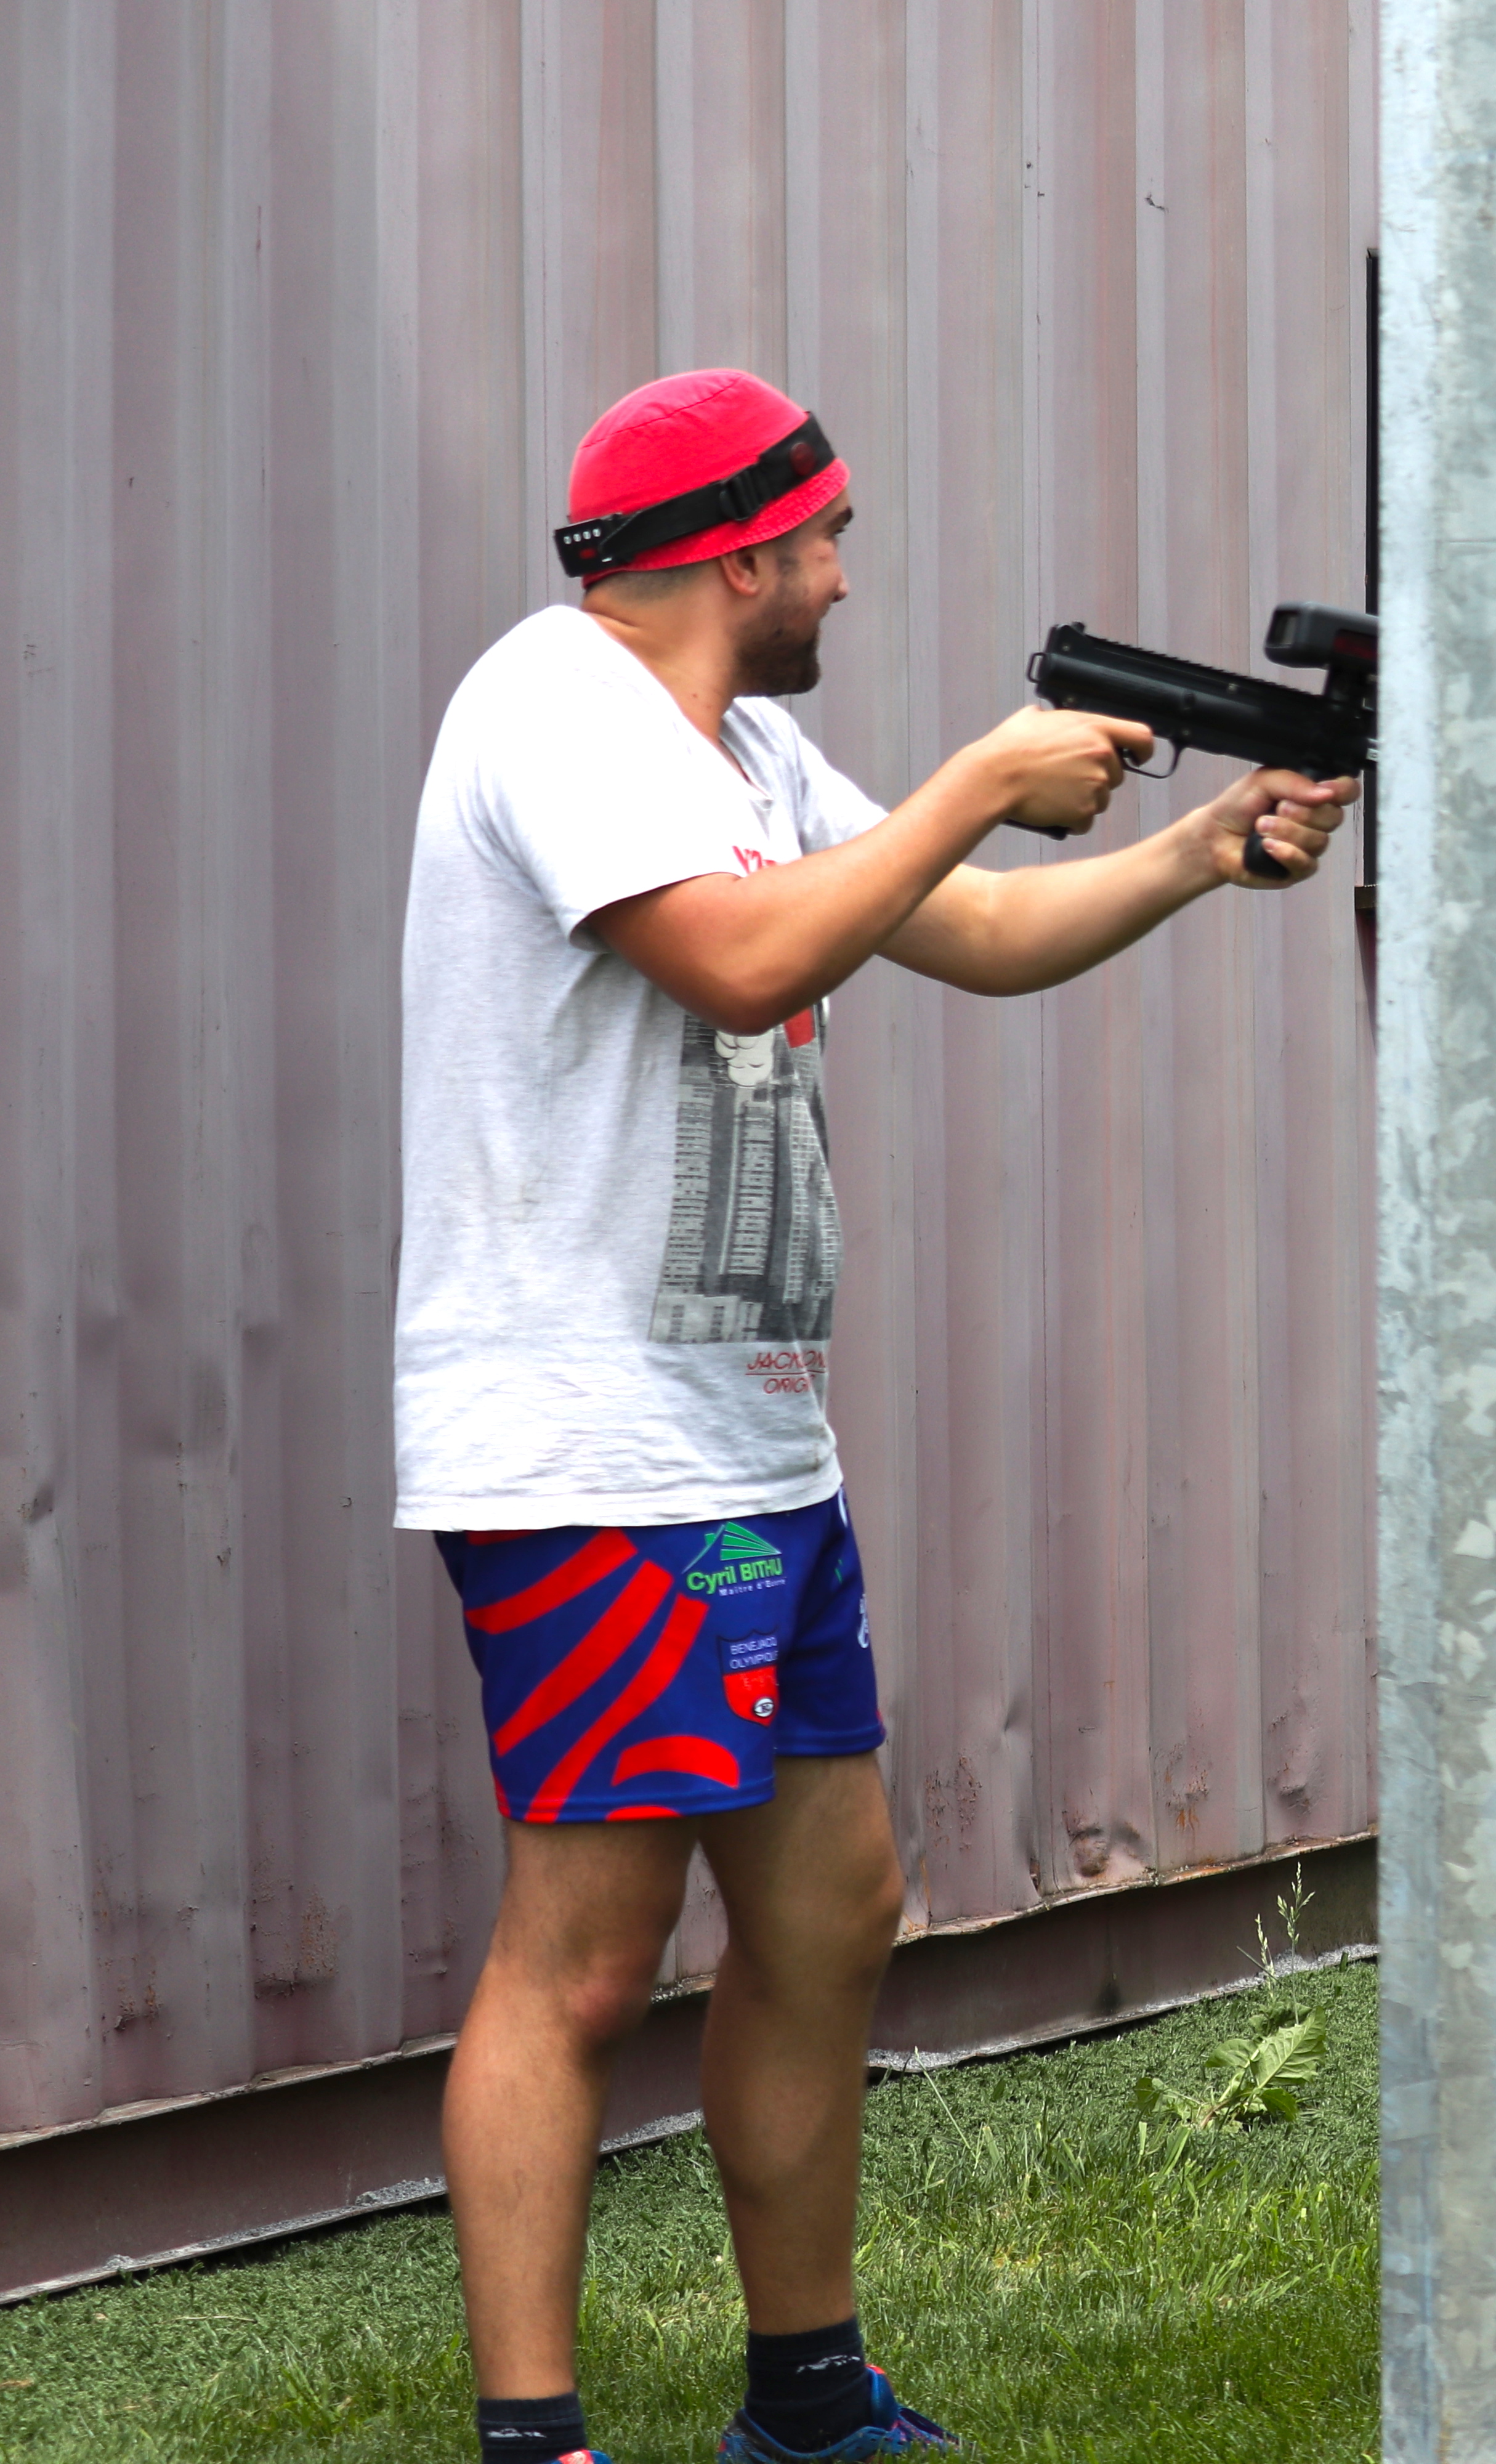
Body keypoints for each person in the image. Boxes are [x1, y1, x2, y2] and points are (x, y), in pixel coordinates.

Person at [394, 368, 1354, 2464]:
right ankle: (535, 2439)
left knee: (832, 1914)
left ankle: (807, 2400)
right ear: (735, 548)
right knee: (583, 1956)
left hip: (744, 1453)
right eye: (824, 535)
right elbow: (742, 961)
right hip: (588, 1455)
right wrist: (971, 783)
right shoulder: (555, 709)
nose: (844, 569)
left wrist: (1204, 845)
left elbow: (977, 929)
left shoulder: (742, 740)